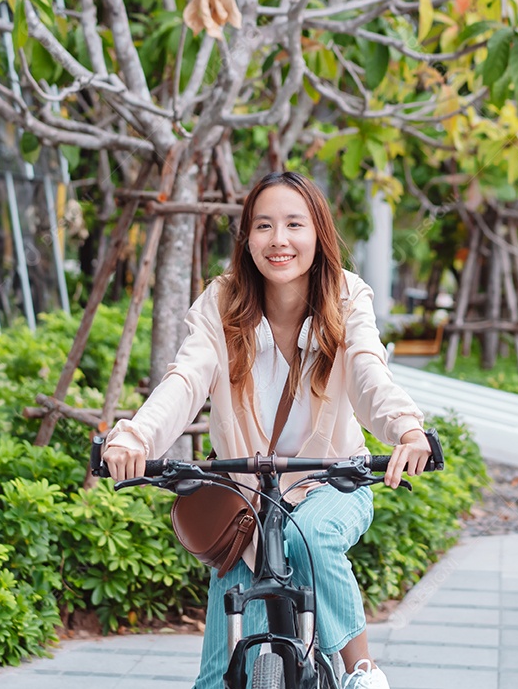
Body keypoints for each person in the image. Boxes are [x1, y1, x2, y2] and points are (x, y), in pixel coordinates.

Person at [102, 171, 431, 689]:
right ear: (247, 238)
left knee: (314, 537)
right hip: (247, 504)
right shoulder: (221, 303)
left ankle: (359, 670)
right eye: (264, 226)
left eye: (294, 224)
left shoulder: (347, 297)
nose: (279, 240)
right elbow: (185, 379)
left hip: (332, 482)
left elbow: (369, 372)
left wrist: (407, 429)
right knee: (216, 679)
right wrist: (134, 439)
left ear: (318, 234)